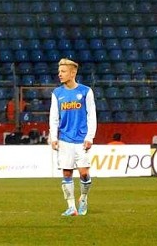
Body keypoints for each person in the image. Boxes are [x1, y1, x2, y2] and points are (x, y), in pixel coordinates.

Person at [49, 58, 96, 217]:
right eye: (59, 71)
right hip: (64, 140)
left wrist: (90, 137)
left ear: (73, 72)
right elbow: (54, 117)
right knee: (67, 174)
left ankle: (83, 198)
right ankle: (71, 207)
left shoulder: (85, 91)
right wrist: (53, 137)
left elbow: (92, 116)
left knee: (84, 173)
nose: (59, 74)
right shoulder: (57, 93)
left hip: (81, 140)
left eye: (63, 71)